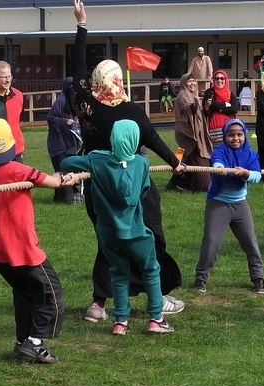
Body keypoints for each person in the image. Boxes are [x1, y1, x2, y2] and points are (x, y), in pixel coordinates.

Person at [69, 0, 185, 324]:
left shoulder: (83, 103)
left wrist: (81, 25)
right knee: (148, 235)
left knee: (109, 239)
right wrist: (177, 166)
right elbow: (153, 139)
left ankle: (98, 305)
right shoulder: (132, 112)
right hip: (132, 184)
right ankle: (158, 298)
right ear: (118, 80)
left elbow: (77, 68)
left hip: (96, 184)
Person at [0, 116, 78, 363]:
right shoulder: (17, 170)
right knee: (49, 293)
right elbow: (55, 182)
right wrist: (68, 178)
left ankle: (23, 341)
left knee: (24, 294)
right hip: (23, 250)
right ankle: (34, 342)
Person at [61, 120, 174, 335]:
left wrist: (97, 158)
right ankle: (156, 318)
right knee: (151, 270)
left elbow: (67, 163)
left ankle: (120, 322)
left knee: (119, 273)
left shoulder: (96, 160)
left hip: (108, 233)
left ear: (113, 139)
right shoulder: (141, 163)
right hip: (136, 231)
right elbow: (143, 191)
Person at [194, 118, 264, 295]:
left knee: (250, 242)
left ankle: (258, 278)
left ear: (245, 135)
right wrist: (220, 168)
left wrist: (246, 173)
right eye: (231, 135)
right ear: (225, 136)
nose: (236, 138)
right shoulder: (219, 151)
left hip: (240, 205)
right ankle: (201, 278)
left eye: (239, 134)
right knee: (212, 241)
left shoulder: (251, 155)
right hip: (218, 203)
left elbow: (257, 176)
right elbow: (217, 161)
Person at [166, 73, 212, 192]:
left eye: (193, 81)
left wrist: (204, 107)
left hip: (197, 134)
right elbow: (186, 108)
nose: (192, 83)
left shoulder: (192, 95)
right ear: (184, 83)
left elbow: (199, 115)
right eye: (189, 81)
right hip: (189, 136)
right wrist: (194, 105)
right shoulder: (182, 95)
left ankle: (173, 183)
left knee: (187, 160)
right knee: (200, 160)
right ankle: (201, 186)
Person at [46, 77, 82, 204]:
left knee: (70, 169)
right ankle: (64, 196)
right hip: (58, 144)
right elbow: (51, 118)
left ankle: (60, 197)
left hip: (70, 143)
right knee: (62, 171)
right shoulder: (60, 102)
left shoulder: (74, 102)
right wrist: (64, 122)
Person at [203, 70, 238, 147]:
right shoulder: (209, 92)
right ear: (214, 80)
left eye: (222, 78)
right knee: (217, 153)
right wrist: (225, 104)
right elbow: (209, 104)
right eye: (217, 78)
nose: (219, 80)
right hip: (214, 130)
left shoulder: (230, 93)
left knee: (229, 152)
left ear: (225, 80)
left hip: (229, 129)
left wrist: (219, 108)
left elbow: (234, 109)